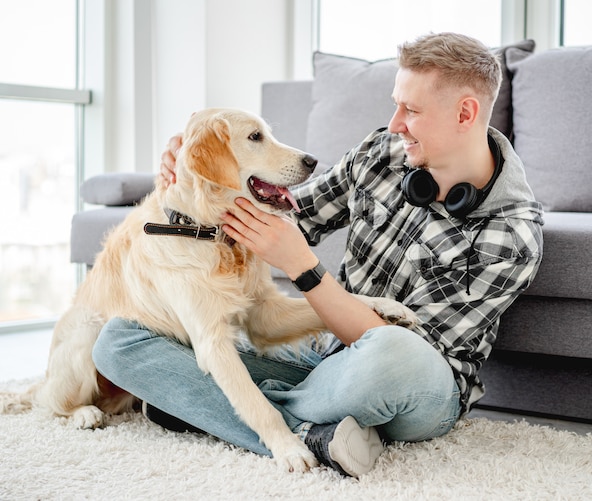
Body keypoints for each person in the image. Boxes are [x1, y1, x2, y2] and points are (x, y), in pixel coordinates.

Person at [92, 32, 543, 478]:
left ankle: (207, 408)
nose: (394, 123)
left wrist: (304, 269)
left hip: (410, 382)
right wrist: (193, 167)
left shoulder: (511, 233)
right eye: (396, 104)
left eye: (412, 110)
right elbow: (292, 214)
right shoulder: (381, 154)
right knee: (120, 341)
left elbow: (400, 340)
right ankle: (310, 434)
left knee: (392, 354)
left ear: (465, 113)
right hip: (324, 360)